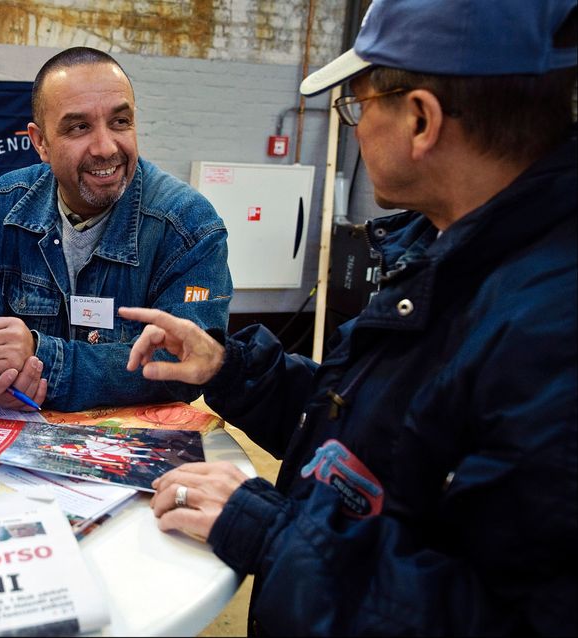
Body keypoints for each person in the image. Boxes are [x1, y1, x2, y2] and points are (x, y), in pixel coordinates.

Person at [121, 0, 577, 634]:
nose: (356, 127)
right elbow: (379, 432)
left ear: (420, 119)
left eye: (360, 105)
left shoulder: (550, 336)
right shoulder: (446, 247)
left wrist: (272, 532)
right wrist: (231, 368)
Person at [0, 47, 231, 412]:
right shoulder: (3, 205)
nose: (105, 147)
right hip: (17, 433)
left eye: (120, 122)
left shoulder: (189, 226)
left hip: (131, 449)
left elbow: (185, 363)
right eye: (79, 127)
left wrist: (39, 358)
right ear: (41, 143)